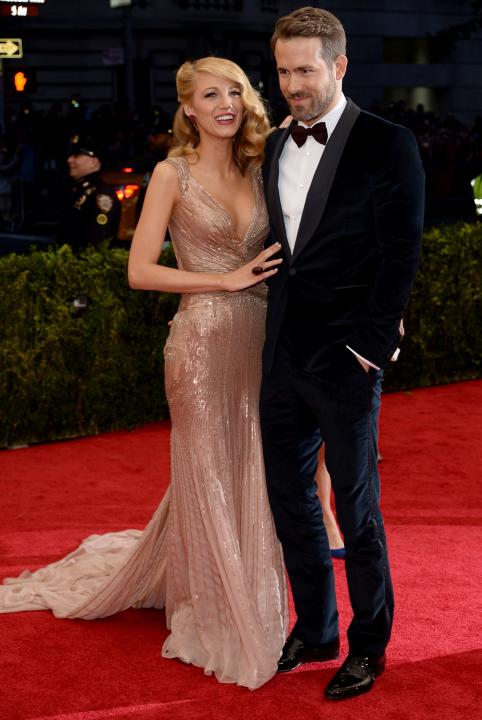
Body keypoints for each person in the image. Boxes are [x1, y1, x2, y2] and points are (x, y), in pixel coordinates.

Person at [0, 57, 289, 690]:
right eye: (211, 94)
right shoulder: (170, 173)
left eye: (235, 91)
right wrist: (225, 279)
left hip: (260, 343)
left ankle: (231, 579)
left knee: (252, 467)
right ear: (188, 108)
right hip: (202, 343)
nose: (226, 103)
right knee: (209, 467)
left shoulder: (260, 165)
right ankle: (220, 608)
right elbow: (139, 271)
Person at [259, 6, 424, 700]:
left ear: (339, 66)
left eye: (305, 69)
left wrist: (371, 345)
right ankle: (318, 628)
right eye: (283, 70)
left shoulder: (388, 143)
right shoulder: (272, 143)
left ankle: (369, 645)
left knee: (356, 508)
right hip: (283, 354)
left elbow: (401, 253)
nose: (293, 84)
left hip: (346, 357)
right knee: (290, 500)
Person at [57, 135, 120, 251]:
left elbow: (97, 241)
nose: (69, 160)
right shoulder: (78, 189)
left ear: (94, 162)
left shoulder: (101, 194)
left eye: (76, 155)